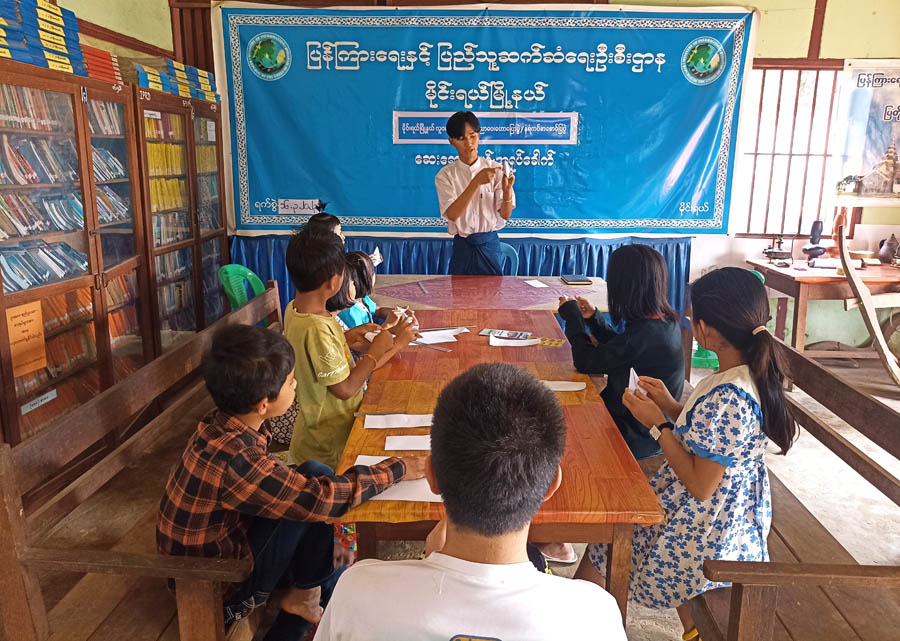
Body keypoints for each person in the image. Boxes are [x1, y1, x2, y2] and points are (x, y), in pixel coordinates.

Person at [314, 363, 627, 641]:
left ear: (432, 476)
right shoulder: (593, 615)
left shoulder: (357, 592)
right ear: (551, 485)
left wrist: (430, 566)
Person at [156, 324, 426, 638]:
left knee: (313, 477)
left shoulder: (222, 426)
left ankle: (309, 593)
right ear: (263, 404)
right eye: (290, 381)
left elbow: (293, 490)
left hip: (218, 556)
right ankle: (303, 605)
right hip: (215, 588)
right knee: (320, 501)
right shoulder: (236, 459)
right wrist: (398, 468)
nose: (295, 384)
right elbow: (320, 499)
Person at [574, 267, 797, 641]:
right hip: (726, 513)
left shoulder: (729, 396)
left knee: (611, 540)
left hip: (707, 522)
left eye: (694, 317)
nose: (691, 321)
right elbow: (712, 439)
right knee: (617, 538)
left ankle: (575, 622)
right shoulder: (744, 375)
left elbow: (700, 485)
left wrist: (657, 426)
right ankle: (693, 630)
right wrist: (670, 405)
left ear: (706, 329)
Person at [284, 227, 419, 469]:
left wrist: (346, 337)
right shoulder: (318, 328)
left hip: (321, 432)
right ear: (335, 281)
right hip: (330, 444)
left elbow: (313, 356)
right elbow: (345, 389)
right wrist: (376, 352)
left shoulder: (295, 309)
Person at [558, 244, 684, 472]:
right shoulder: (665, 322)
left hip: (634, 435)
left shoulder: (643, 335)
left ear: (624, 288)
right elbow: (622, 349)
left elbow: (586, 361)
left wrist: (573, 317)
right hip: (650, 430)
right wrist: (594, 319)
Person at [435, 111, 516, 275]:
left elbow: (505, 214)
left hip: (489, 246)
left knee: (493, 291)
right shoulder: (445, 175)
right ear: (451, 141)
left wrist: (507, 191)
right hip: (463, 247)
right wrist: (475, 183)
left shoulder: (495, 169)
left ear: (479, 135)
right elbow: (452, 214)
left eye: (472, 136)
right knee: (460, 291)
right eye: (461, 138)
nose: (469, 143)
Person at [337, 251, 403, 330]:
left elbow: (378, 310)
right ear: (365, 279)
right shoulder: (349, 313)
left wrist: (398, 313)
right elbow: (364, 337)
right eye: (372, 272)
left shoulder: (363, 298)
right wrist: (387, 325)